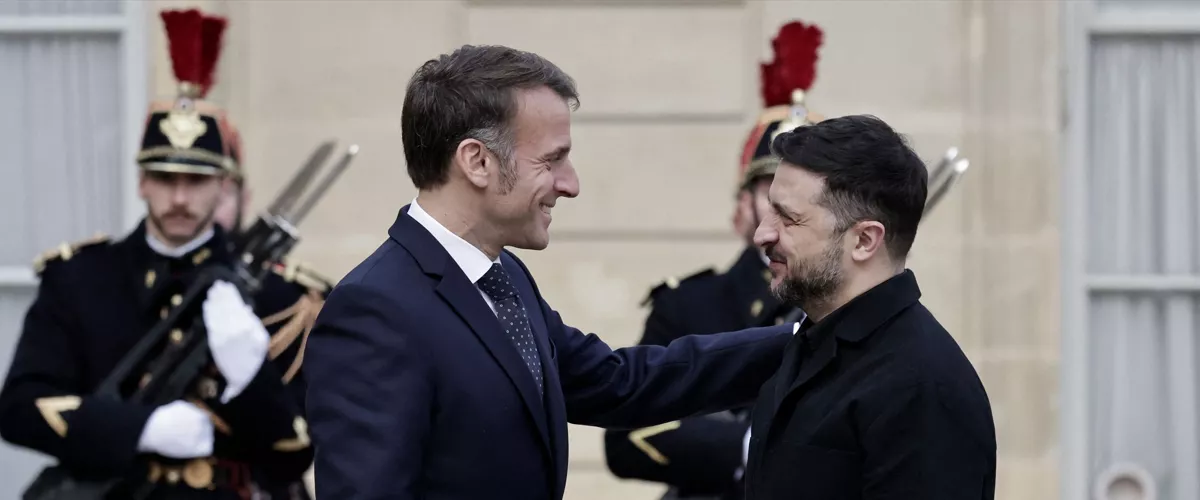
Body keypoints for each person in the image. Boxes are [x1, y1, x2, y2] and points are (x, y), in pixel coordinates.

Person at [302, 44, 799, 500]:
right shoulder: (376, 309)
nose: (572, 184)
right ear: (477, 161)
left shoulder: (505, 277)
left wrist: (806, 337)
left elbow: (620, 382)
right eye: (553, 159)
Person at [0, 9, 327, 499]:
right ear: (140, 181)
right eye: (164, 178)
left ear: (223, 186)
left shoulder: (283, 295)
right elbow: (21, 408)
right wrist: (139, 427)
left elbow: (297, 451)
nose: (179, 198)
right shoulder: (80, 279)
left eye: (196, 181)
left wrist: (249, 377)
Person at [602, 19, 822, 500]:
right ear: (742, 208)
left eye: (806, 196)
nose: (789, 210)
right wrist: (746, 446)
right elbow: (626, 437)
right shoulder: (688, 305)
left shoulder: (844, 307)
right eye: (773, 193)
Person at [742, 114, 996, 499]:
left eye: (789, 219)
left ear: (864, 241)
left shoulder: (922, 387)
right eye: (769, 211)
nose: (763, 233)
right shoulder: (808, 346)